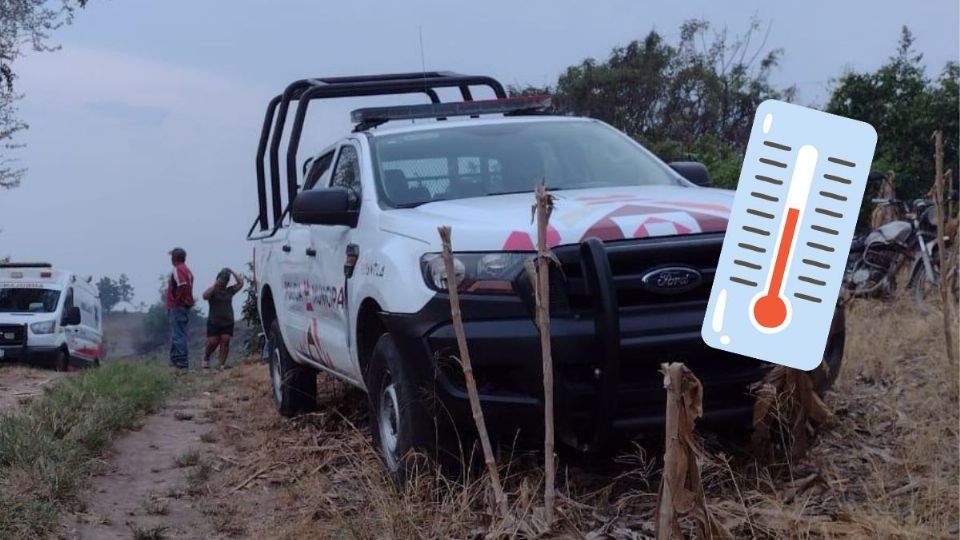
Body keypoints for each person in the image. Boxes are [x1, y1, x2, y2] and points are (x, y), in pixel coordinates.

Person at [202, 267, 244, 370]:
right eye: (222, 279)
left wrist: (232, 271)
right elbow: (204, 296)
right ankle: (206, 357)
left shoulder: (229, 291)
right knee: (213, 342)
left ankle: (221, 365)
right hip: (214, 321)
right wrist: (215, 284)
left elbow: (241, 283)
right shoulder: (213, 291)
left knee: (225, 341)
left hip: (227, 321)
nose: (223, 282)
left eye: (225, 280)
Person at [166, 247, 195, 369]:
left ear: (174, 258)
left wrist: (177, 301)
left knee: (178, 334)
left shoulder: (178, 269)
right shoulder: (187, 270)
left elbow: (182, 286)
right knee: (177, 333)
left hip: (177, 306)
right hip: (183, 306)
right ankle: (175, 360)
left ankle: (181, 361)